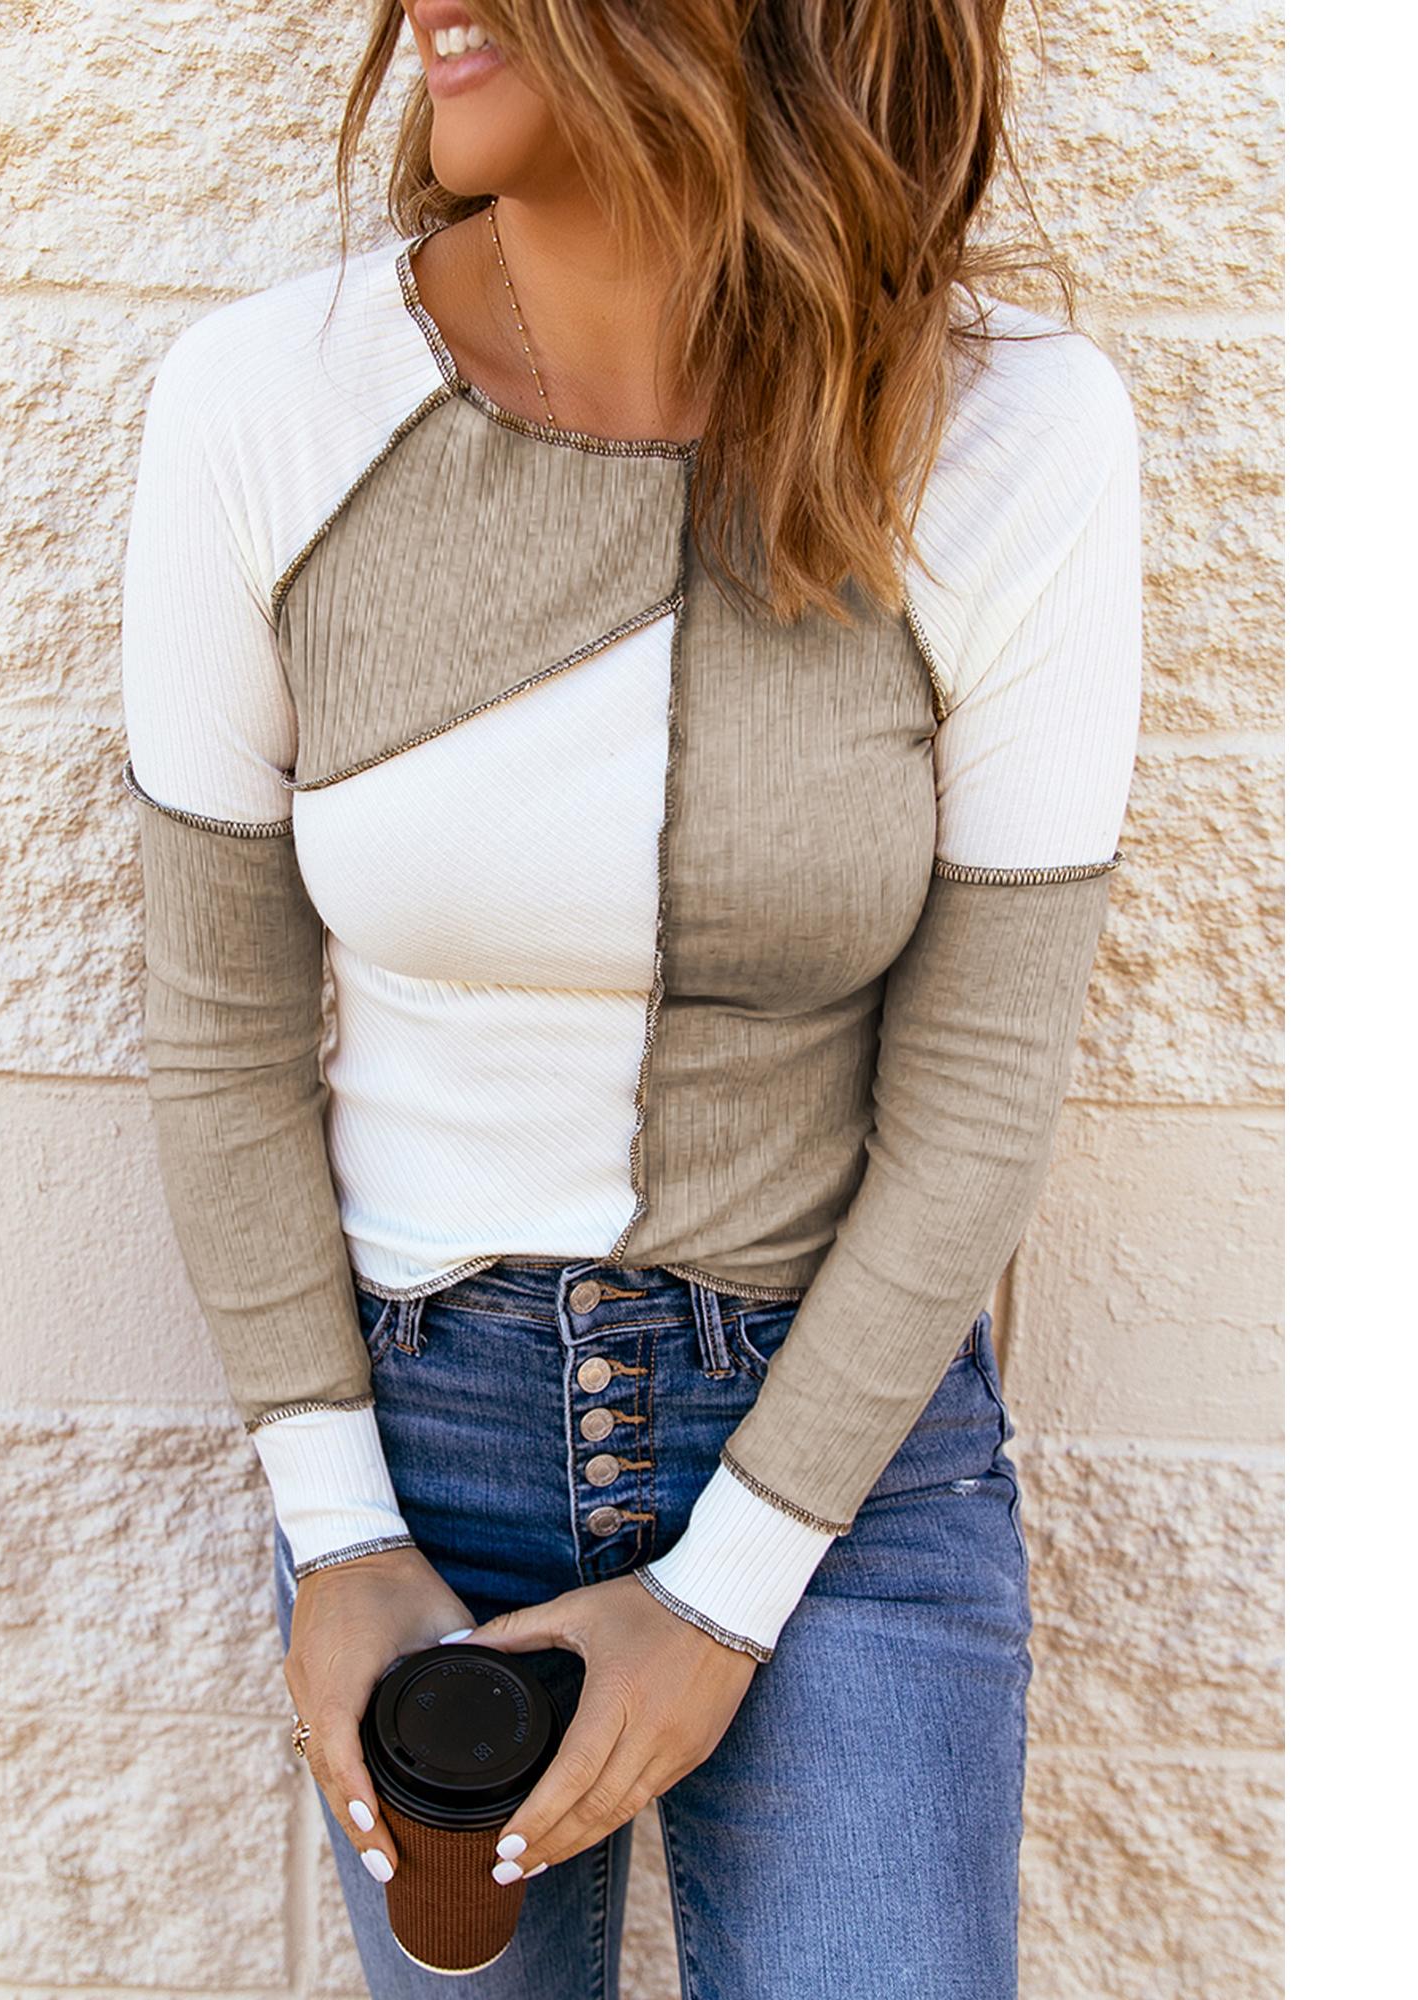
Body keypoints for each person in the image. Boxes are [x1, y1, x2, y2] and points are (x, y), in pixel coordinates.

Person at [117, 4, 1143, 1994]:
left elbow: (982, 1082)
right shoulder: (267, 403)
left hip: (842, 1445)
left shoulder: (1012, 430)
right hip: (412, 1448)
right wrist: (339, 1531)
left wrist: (732, 1584)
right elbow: (221, 1034)